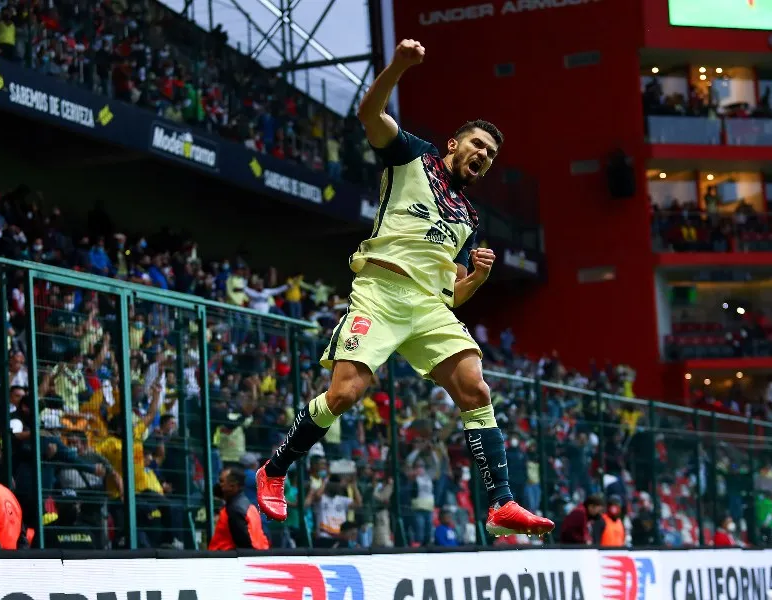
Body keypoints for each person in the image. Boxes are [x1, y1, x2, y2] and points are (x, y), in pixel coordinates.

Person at [256, 38, 553, 539]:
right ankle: (275, 469)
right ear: (455, 145)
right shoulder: (413, 156)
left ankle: (501, 503)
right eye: (478, 145)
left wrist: (477, 278)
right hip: (381, 292)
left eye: (491, 154)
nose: (484, 155)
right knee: (345, 394)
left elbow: (453, 295)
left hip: (430, 308)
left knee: (476, 388)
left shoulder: (468, 217)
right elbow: (368, 113)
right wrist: (398, 66)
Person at [208, 466, 270, 550]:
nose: (219, 485)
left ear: (233, 486)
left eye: (222, 481)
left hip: (227, 556)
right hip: (258, 553)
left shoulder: (234, 510)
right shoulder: (249, 506)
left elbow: (244, 543)